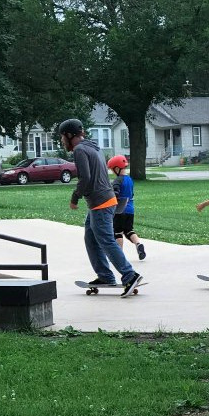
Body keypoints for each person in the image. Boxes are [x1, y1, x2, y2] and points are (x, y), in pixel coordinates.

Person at [58, 119, 142, 297]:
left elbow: (86, 178)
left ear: (70, 135)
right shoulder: (93, 147)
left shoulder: (80, 150)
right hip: (104, 200)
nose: (62, 141)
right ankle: (105, 276)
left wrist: (75, 197)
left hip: (100, 203)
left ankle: (129, 275)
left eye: (62, 137)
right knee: (90, 237)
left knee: (105, 240)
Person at [106, 155, 146, 261]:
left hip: (119, 210)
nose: (112, 172)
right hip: (130, 209)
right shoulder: (130, 180)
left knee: (117, 232)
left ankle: (119, 255)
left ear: (117, 168)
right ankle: (138, 244)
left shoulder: (118, 180)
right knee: (129, 230)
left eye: (112, 170)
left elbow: (115, 192)